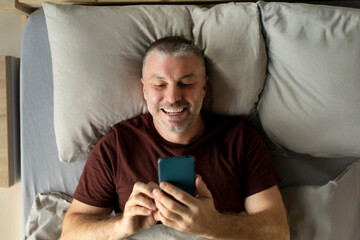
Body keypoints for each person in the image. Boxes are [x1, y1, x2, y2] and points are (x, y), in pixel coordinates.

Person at [61, 36, 290, 240]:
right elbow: (71, 233)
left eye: (186, 83)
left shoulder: (240, 139)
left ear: (204, 87)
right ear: (144, 90)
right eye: (159, 84)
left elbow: (278, 232)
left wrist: (213, 225)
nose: (172, 98)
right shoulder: (116, 145)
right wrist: (122, 226)